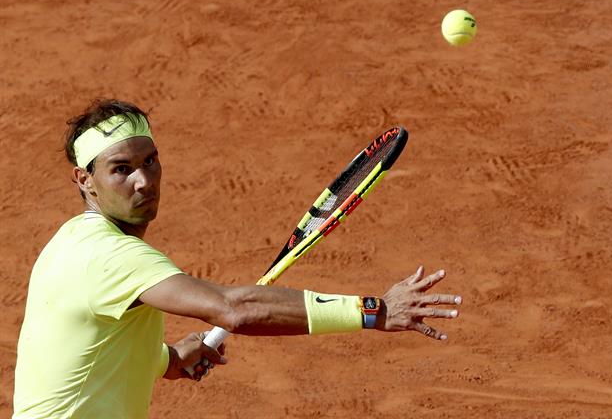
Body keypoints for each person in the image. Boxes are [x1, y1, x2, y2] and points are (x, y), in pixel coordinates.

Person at [13, 99, 462, 419]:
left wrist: (168, 358)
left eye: (150, 161)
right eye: (121, 169)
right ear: (85, 179)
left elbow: (89, 351)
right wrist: (374, 312)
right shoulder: (110, 257)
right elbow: (235, 310)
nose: (144, 181)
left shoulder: (72, 240)